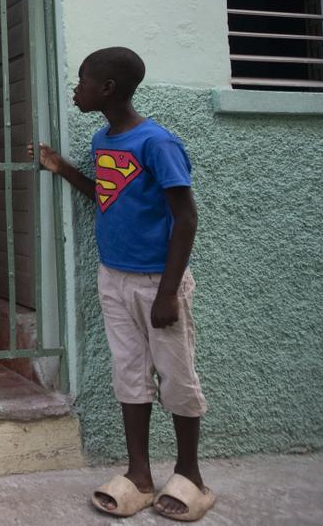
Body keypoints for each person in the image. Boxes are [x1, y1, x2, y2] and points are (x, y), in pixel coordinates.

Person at [33, 47, 214, 522]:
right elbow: (106, 195)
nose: (76, 88)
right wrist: (63, 167)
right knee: (129, 373)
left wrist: (169, 291)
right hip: (114, 277)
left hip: (159, 281)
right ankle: (139, 476)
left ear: (107, 89)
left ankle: (190, 475)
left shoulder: (157, 143)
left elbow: (186, 218)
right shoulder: (102, 139)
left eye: (83, 80)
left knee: (176, 375)